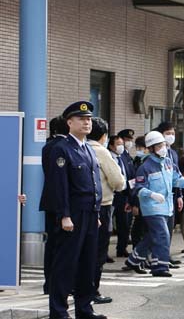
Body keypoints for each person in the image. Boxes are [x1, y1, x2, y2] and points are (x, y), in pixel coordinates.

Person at [46, 101, 106, 319]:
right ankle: (59, 311)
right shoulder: (62, 148)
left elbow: (94, 182)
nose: (87, 123)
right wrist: (64, 215)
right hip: (73, 213)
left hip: (90, 213)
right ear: (69, 123)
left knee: (87, 263)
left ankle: (84, 309)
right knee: (65, 264)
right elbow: (59, 185)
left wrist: (96, 213)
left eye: (89, 119)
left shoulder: (88, 148)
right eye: (81, 119)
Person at [124, 131, 184, 277]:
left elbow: (176, 180)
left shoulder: (168, 163)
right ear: (151, 148)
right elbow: (138, 188)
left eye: (164, 145)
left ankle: (133, 259)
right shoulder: (145, 167)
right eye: (159, 146)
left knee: (153, 235)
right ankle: (160, 267)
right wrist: (152, 194)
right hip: (151, 207)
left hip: (167, 206)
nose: (163, 148)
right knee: (162, 235)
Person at [88, 118, 126, 305]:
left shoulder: (81, 148)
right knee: (98, 251)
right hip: (102, 205)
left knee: (84, 249)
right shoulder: (101, 151)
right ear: (104, 136)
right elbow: (118, 181)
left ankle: (78, 287)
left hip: (82, 206)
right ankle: (92, 290)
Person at [39, 116, 69, 295]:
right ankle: (58, 283)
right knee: (62, 244)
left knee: (51, 243)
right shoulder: (63, 147)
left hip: (49, 200)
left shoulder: (47, 146)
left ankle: (49, 283)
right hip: (62, 201)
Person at [155, 122, 183, 266]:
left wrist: (179, 195)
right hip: (158, 197)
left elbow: (176, 176)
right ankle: (153, 257)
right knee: (159, 230)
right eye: (168, 133)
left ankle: (165, 256)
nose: (171, 136)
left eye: (173, 133)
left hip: (172, 196)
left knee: (169, 228)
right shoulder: (154, 153)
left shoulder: (173, 154)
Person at [108, 135, 131, 258]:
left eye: (122, 143)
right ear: (111, 146)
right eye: (118, 144)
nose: (121, 146)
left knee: (124, 223)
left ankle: (122, 248)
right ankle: (104, 252)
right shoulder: (108, 157)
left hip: (123, 194)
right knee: (108, 225)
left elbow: (129, 174)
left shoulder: (123, 158)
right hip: (111, 194)